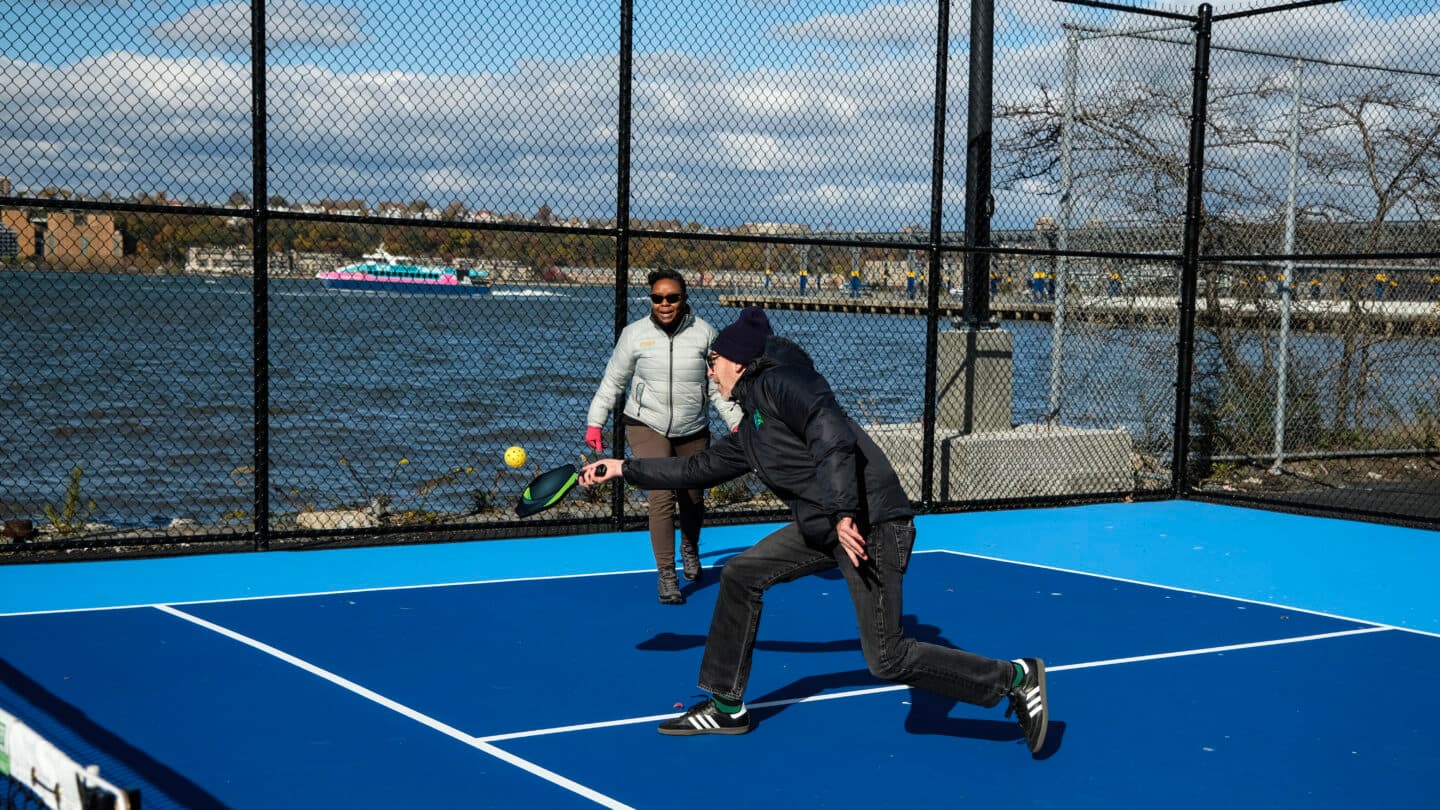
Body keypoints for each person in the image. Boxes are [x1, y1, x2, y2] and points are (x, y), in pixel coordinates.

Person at [578, 307, 1050, 754]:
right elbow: (695, 469)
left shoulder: (784, 382)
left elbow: (832, 434)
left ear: (739, 364)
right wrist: (622, 468)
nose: (709, 370)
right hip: (824, 527)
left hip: (870, 526)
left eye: (714, 361)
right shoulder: (753, 429)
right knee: (742, 574)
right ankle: (725, 706)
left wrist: (845, 512)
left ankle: (1013, 677)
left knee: (886, 658)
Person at [585, 270, 742, 605]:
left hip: (692, 427)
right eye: (658, 298)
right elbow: (613, 381)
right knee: (661, 495)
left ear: (684, 298)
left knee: (693, 497)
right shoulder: (634, 335)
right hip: (645, 424)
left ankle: (690, 545)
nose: (665, 304)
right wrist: (595, 422)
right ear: (651, 300)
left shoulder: (705, 334)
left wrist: (737, 423)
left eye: (672, 297)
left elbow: (718, 387)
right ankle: (667, 574)